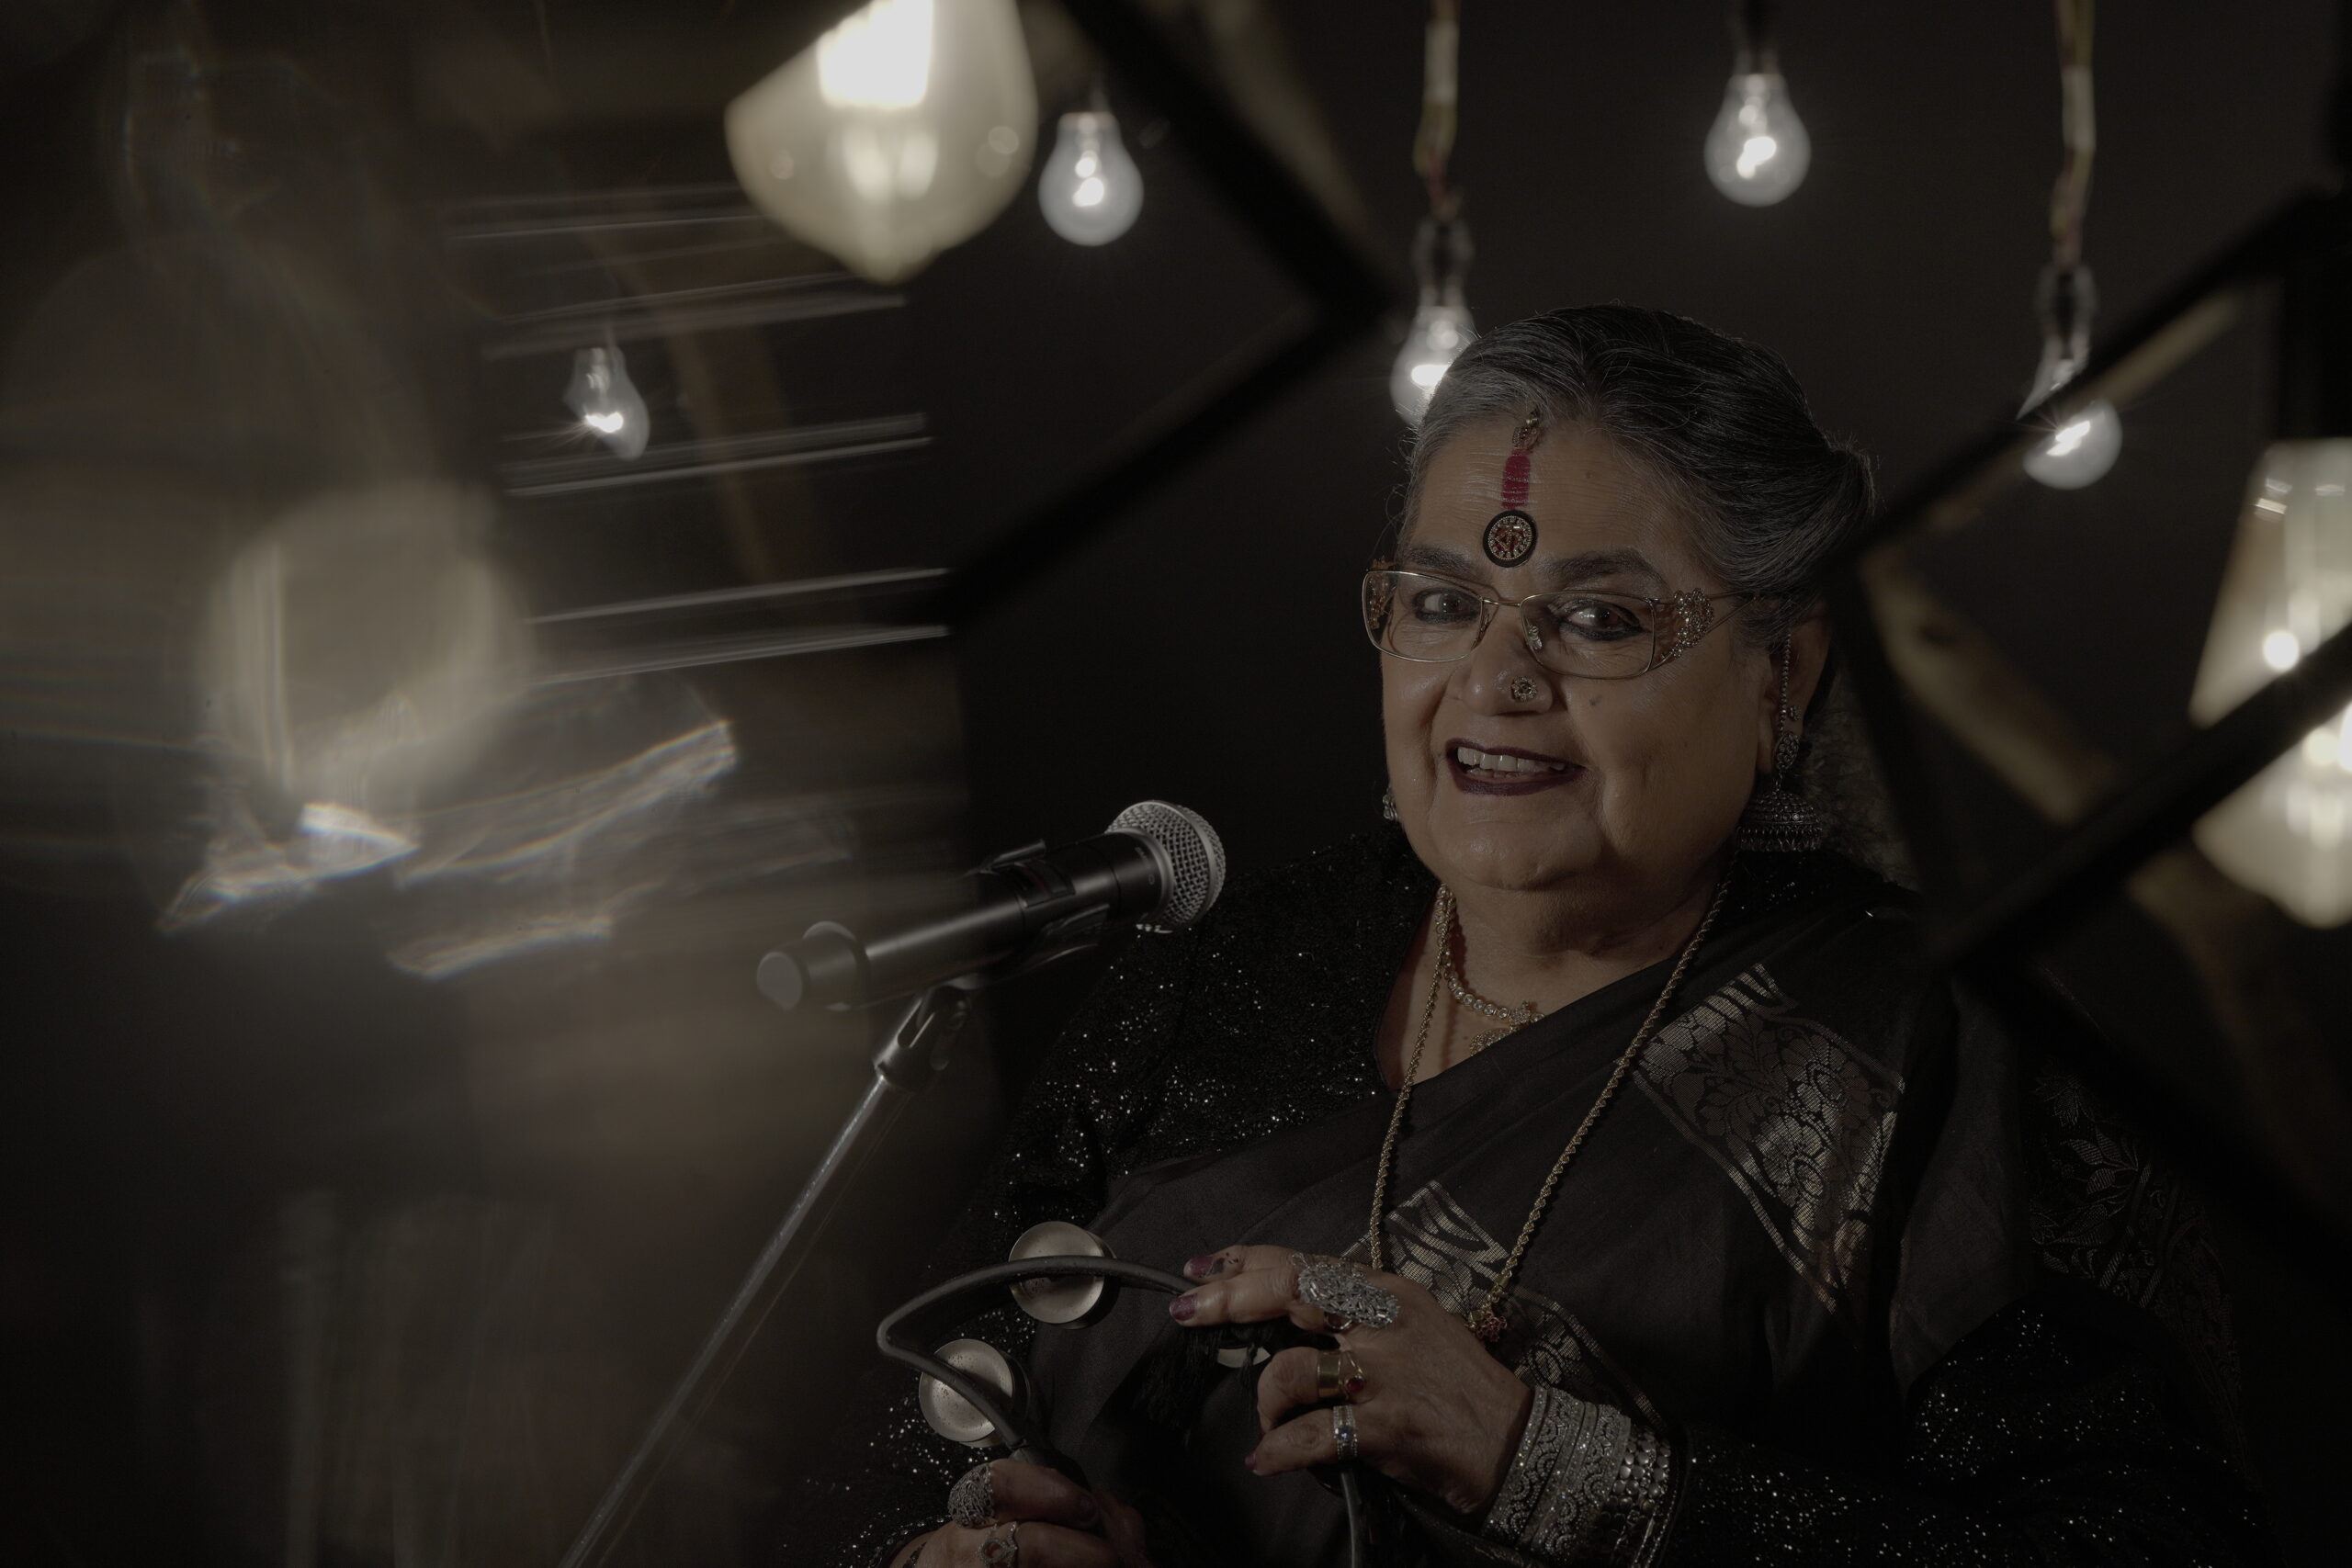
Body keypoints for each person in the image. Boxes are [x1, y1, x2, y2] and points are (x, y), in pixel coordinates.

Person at [794, 307, 2272, 1566]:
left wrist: (1561, 1471)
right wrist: (969, 1535)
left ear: (1783, 669)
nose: (1497, 679)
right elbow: (881, 1454)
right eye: (1444, 602)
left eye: (1599, 621)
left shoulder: (1935, 1037)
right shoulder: (1226, 964)